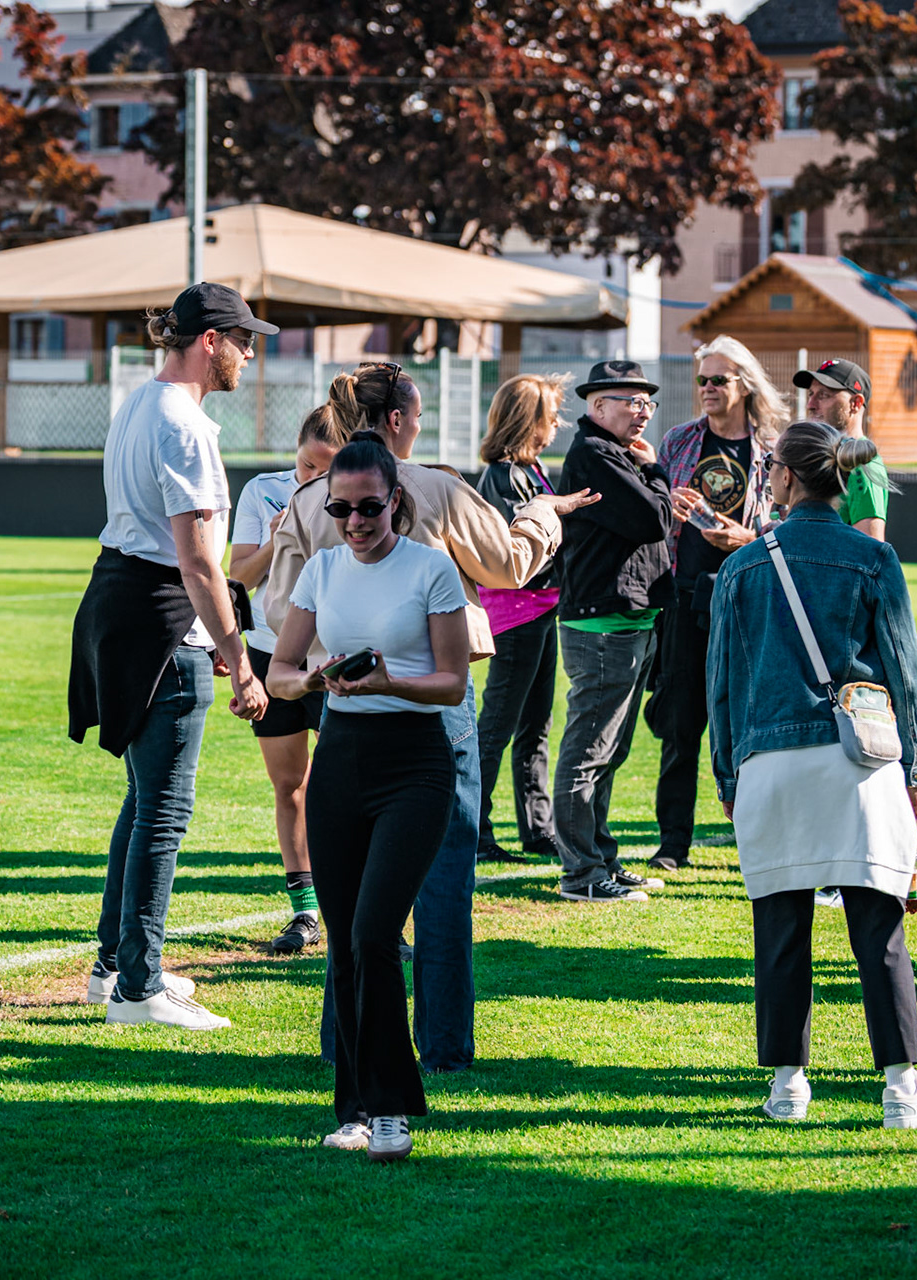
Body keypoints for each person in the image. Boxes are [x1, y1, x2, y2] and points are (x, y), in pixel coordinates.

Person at [265, 362, 597, 1072]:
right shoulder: (436, 487)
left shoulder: (309, 499)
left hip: (342, 699)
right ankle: (444, 1046)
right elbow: (509, 565)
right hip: (431, 703)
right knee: (444, 879)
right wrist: (545, 516)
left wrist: (325, 657)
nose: (418, 426)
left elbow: (275, 610)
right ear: (395, 421)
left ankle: (343, 1040)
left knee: (350, 892)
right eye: (414, 416)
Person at [708, 420, 917, 1130]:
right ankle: (902, 1089)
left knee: (780, 927)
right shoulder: (873, 557)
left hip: (768, 762)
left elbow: (720, 684)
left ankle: (788, 1087)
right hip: (859, 762)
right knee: (878, 929)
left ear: (785, 479)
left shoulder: (742, 565)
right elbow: (906, 674)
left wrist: (728, 775)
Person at [68, 282, 278, 1030]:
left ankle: (115, 965)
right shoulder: (184, 425)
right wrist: (238, 654)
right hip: (160, 619)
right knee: (164, 810)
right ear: (210, 341)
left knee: (143, 801)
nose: (251, 355)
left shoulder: (140, 402)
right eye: (244, 340)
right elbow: (198, 563)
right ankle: (137, 988)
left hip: (122, 604)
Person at [266, 432, 472, 1162]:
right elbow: (281, 673)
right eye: (341, 508)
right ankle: (352, 1108)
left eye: (369, 509)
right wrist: (317, 680)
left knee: (375, 937)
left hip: (413, 765)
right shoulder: (321, 571)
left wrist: (387, 683)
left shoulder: (432, 570)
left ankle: (391, 1112)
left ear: (397, 503)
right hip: (341, 761)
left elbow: (453, 682)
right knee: (347, 950)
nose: (354, 522)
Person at [648, 335, 791, 873]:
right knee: (681, 725)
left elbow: (791, 521)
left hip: (748, 604)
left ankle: (759, 840)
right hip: (684, 601)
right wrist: (670, 509)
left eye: (719, 380)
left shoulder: (775, 449)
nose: (707, 389)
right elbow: (652, 517)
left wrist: (748, 539)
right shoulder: (680, 440)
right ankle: (672, 844)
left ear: (745, 384)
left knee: (755, 727)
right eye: (702, 380)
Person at [551, 361, 675, 902]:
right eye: (630, 399)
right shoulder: (595, 454)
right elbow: (653, 520)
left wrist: (650, 477)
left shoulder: (617, 455)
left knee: (609, 751)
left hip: (627, 618)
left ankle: (599, 858)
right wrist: (659, 475)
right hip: (604, 623)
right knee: (588, 751)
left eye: (647, 400)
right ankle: (583, 874)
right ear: (597, 407)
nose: (643, 408)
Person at [228, 404, 348, 954]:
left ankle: (363, 913)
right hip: (271, 658)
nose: (313, 481)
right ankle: (304, 915)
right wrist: (280, 536)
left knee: (347, 790)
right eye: (305, 467)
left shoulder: (356, 498)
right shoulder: (263, 492)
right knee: (289, 786)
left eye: (325, 472)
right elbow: (238, 578)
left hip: (332, 660)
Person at [472, 375, 569, 863]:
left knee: (536, 724)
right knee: (498, 725)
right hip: (516, 615)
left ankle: (537, 829)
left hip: (542, 610)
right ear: (529, 420)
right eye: (551, 416)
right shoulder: (502, 475)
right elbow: (518, 549)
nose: (557, 425)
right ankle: (475, 829)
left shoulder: (532, 470)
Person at [794, 358, 889, 540]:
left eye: (823, 395)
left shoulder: (862, 466)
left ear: (855, 403)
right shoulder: (825, 458)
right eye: (811, 394)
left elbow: (869, 551)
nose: (810, 405)